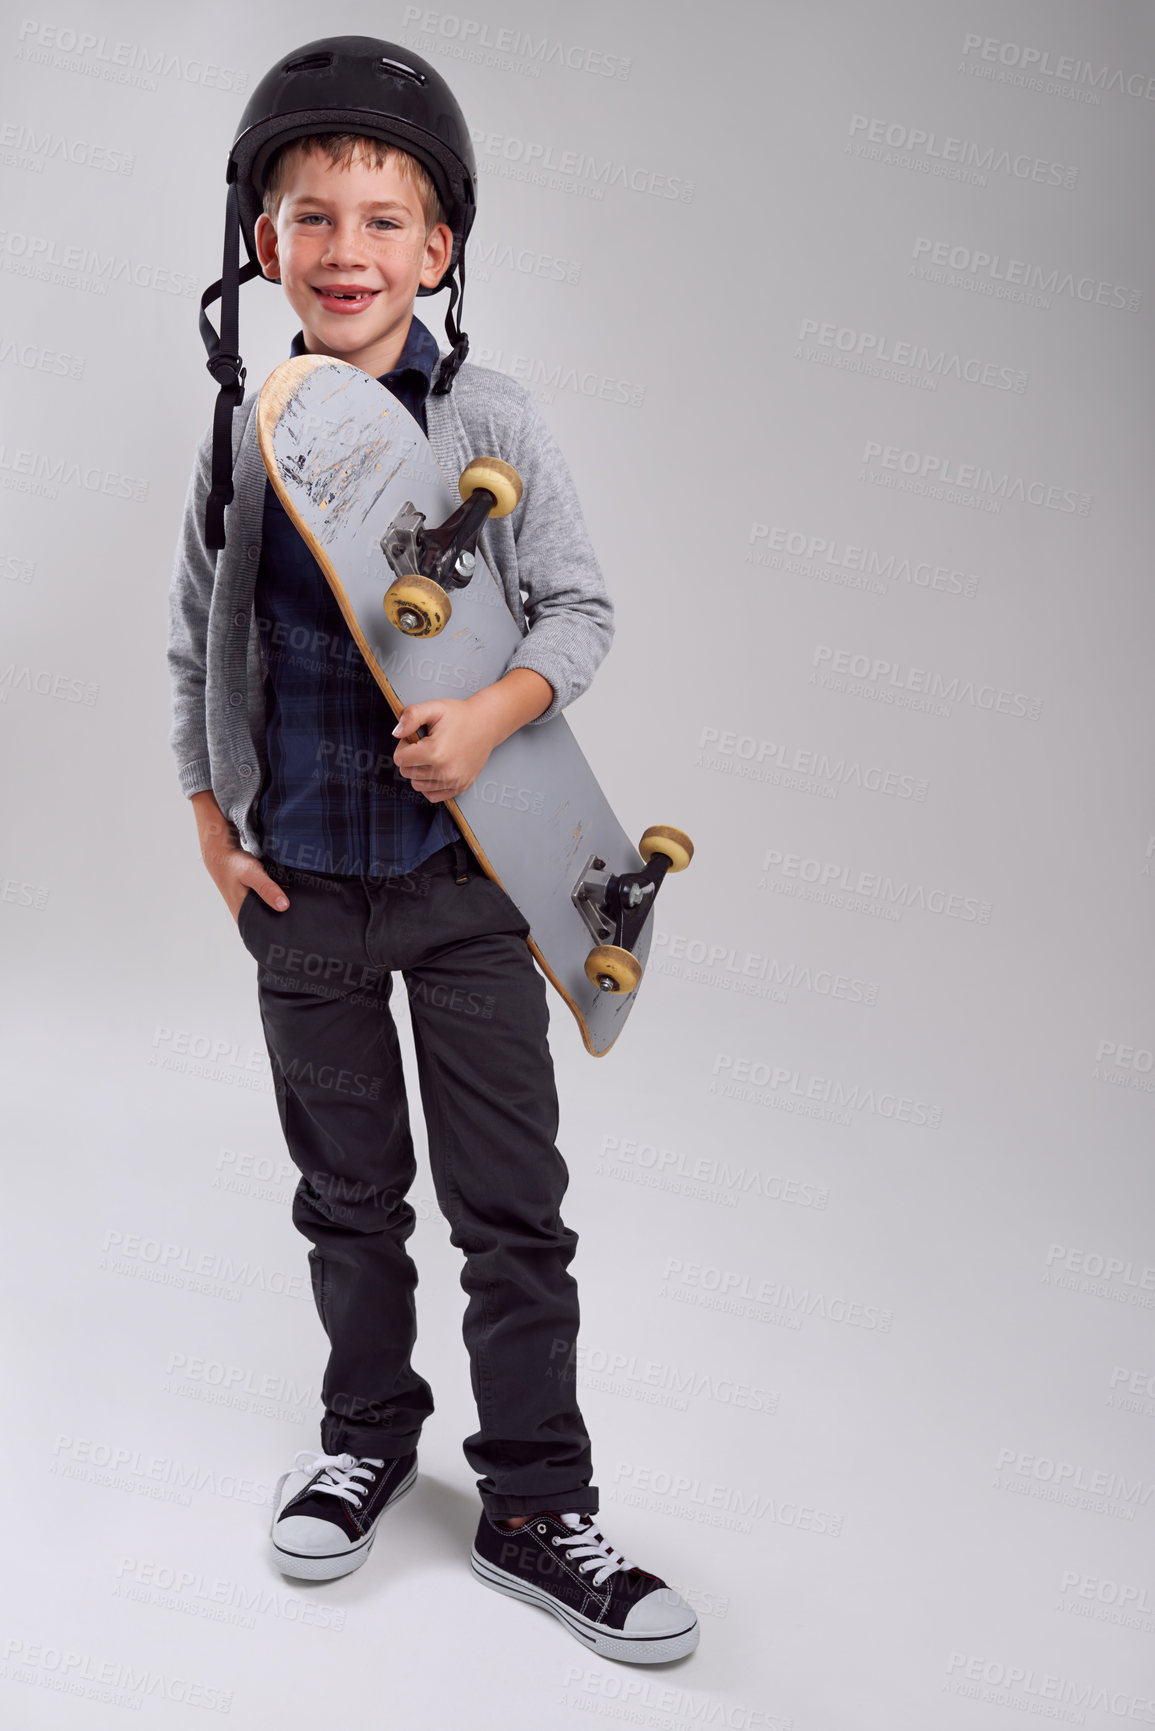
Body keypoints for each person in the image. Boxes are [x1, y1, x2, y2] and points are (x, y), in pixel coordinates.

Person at [166, 37, 699, 1664]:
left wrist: (495, 716)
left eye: (384, 220)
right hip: (307, 890)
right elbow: (199, 636)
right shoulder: (246, 429)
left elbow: (587, 607)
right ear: (265, 245)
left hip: (477, 893)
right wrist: (208, 812)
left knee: (510, 1210)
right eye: (311, 216)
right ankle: (368, 1435)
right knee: (348, 1198)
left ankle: (538, 1503)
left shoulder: (496, 419)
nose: (346, 250)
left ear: (438, 249)